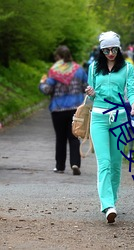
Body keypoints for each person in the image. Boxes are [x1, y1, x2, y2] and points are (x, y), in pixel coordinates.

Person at [85, 31, 134, 223]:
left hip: (120, 119)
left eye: (114, 49)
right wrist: (90, 92)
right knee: (104, 163)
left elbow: (131, 90)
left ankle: (112, 201)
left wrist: (133, 104)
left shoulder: (127, 68)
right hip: (98, 118)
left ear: (119, 48)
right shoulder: (93, 68)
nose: (110, 53)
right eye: (106, 50)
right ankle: (107, 205)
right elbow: (91, 97)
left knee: (116, 164)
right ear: (101, 50)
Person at [39, 45, 88, 175]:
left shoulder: (54, 71)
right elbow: (86, 87)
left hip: (58, 109)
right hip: (75, 109)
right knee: (74, 137)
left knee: (60, 138)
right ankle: (75, 163)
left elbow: (47, 90)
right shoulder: (79, 70)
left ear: (58, 57)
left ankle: (60, 166)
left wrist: (42, 83)